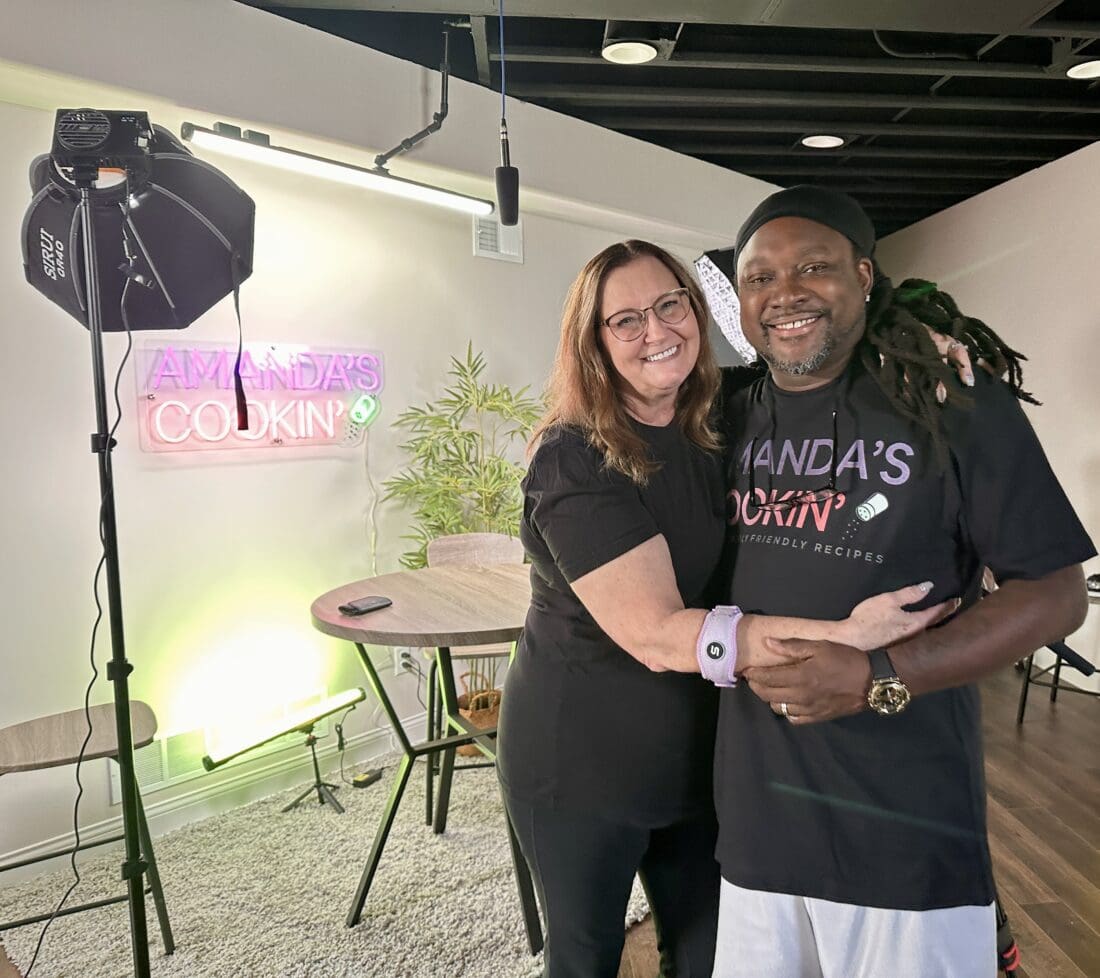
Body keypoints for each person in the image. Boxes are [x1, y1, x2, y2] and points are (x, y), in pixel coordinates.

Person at [496, 239, 964, 978]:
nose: (657, 331)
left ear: (696, 307)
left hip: (704, 757)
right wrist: (844, 637)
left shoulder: (723, 411)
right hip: (580, 762)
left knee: (711, 952)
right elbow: (656, 634)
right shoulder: (573, 457)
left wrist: (905, 344)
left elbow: (815, 355)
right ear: (593, 343)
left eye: (669, 305)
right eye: (625, 321)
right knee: (585, 956)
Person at [710, 186, 1095, 978]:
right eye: (759, 278)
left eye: (814, 268)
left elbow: (1054, 593)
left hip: (906, 833)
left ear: (863, 277)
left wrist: (877, 676)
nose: (784, 293)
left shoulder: (949, 400)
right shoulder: (723, 415)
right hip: (756, 831)